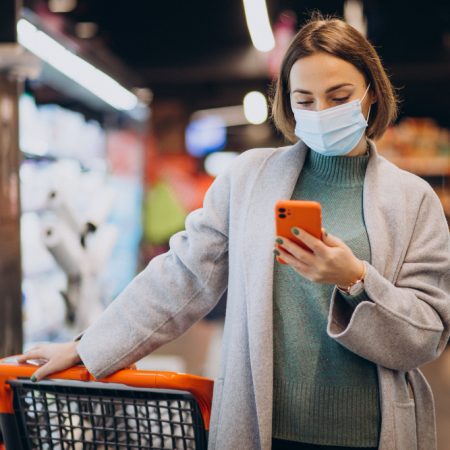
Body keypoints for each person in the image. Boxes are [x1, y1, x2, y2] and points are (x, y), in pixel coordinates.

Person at [17, 13, 450, 450]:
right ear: (287, 102)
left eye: (338, 97)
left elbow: (427, 335)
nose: (321, 112)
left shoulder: (412, 200)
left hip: (371, 436)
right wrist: (89, 347)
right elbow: (182, 276)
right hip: (261, 429)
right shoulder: (248, 179)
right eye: (305, 100)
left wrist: (354, 279)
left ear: (371, 92)